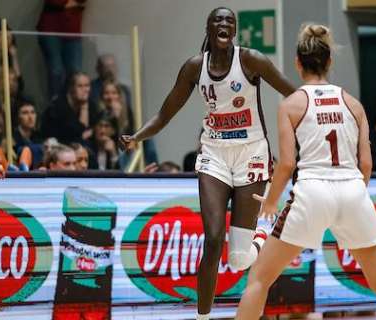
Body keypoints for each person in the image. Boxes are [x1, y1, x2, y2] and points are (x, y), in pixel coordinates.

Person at [118, 7, 295, 319]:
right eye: (218, 19)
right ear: (209, 28)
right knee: (213, 239)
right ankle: (203, 317)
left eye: (230, 20)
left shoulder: (251, 59)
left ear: (235, 30)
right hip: (213, 153)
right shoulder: (194, 67)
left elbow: (292, 93)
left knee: (239, 260)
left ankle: (261, 237)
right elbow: (164, 114)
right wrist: (137, 136)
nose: (224, 23)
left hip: (251, 153)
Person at [235, 24, 376, 320]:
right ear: (329, 61)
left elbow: (287, 163)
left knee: (259, 280)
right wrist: (353, 195)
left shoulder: (291, 104)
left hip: (313, 191)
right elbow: (366, 164)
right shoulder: (354, 104)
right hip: (353, 190)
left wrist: (270, 202)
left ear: (297, 62)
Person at [37, 0, 86, 99]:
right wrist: (73, 4)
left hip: (72, 30)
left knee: (76, 71)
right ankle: (56, 106)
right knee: (56, 71)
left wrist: (73, 4)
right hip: (50, 29)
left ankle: (75, 103)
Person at [41, 71, 99, 144]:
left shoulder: (91, 104)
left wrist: (85, 106)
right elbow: (76, 134)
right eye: (80, 86)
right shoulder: (58, 106)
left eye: (87, 85)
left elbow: (96, 128)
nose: (85, 90)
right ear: (71, 88)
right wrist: (84, 108)